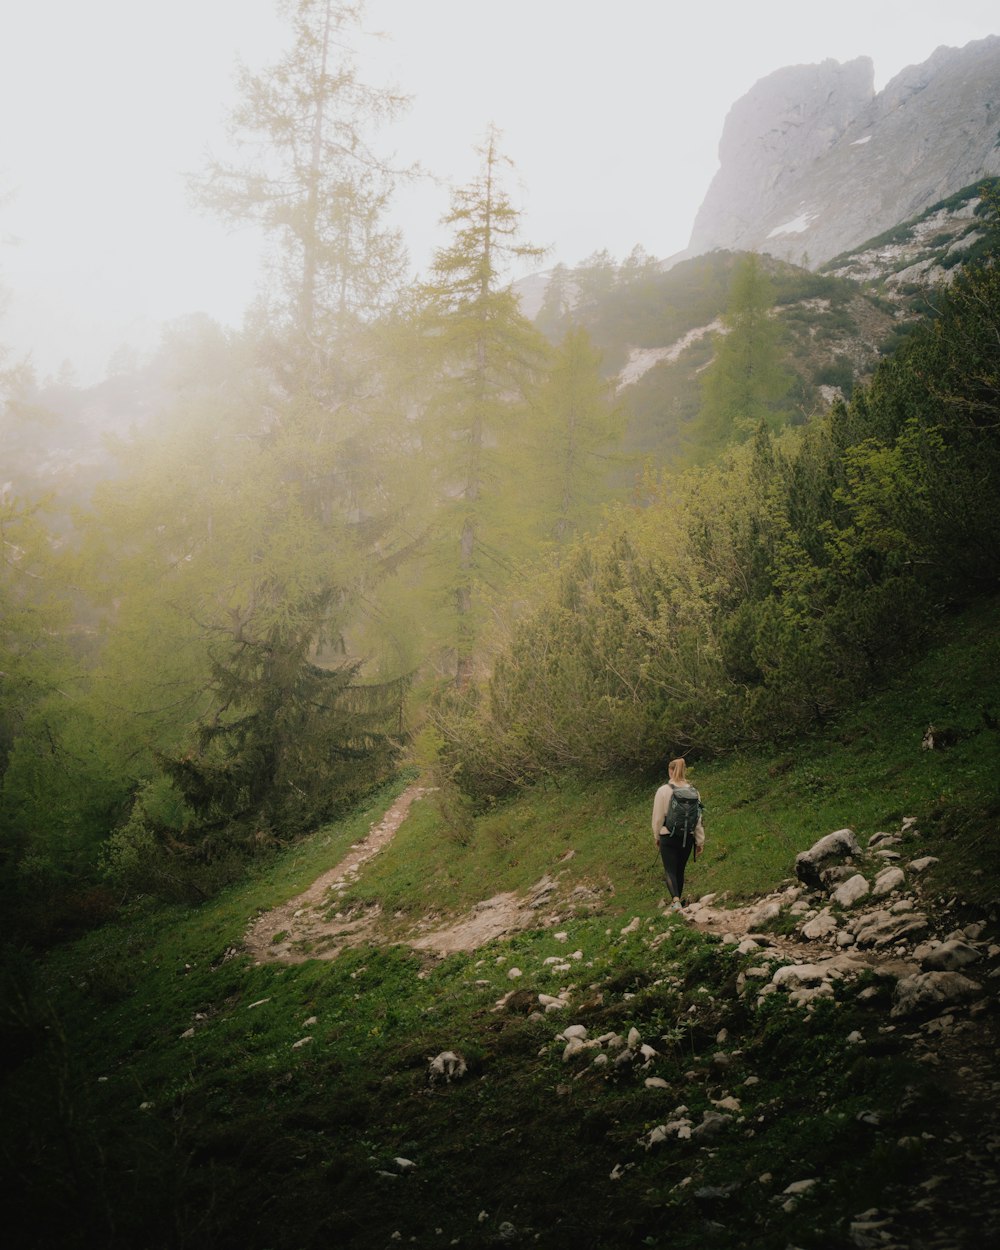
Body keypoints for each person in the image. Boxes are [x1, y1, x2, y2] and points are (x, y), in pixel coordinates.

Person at [651, 757, 705, 913]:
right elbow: (698, 819)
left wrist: (657, 835)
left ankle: (675, 901)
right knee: (680, 870)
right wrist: (700, 841)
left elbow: (658, 817)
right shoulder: (694, 791)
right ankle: (678, 902)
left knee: (670, 870)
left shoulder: (663, 790)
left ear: (670, 770)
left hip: (668, 835)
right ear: (684, 770)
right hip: (687, 837)